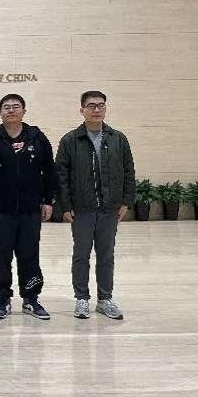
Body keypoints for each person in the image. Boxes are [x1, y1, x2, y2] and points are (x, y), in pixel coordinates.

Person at [0, 94, 58, 321]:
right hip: (1, 213)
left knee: (30, 256)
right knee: (1, 258)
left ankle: (31, 299)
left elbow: (50, 171)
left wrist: (48, 200)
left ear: (24, 111)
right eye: (6, 107)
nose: (11, 110)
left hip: (30, 211)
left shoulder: (37, 138)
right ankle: (3, 300)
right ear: (0, 112)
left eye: (16, 107)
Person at [55, 90, 136, 320]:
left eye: (101, 105)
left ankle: (105, 299)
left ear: (105, 108)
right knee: (81, 255)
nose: (96, 109)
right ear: (82, 110)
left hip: (110, 208)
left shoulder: (118, 138)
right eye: (91, 106)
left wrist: (126, 201)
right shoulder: (70, 140)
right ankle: (82, 298)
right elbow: (61, 175)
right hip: (82, 209)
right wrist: (66, 205)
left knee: (106, 255)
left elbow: (129, 171)